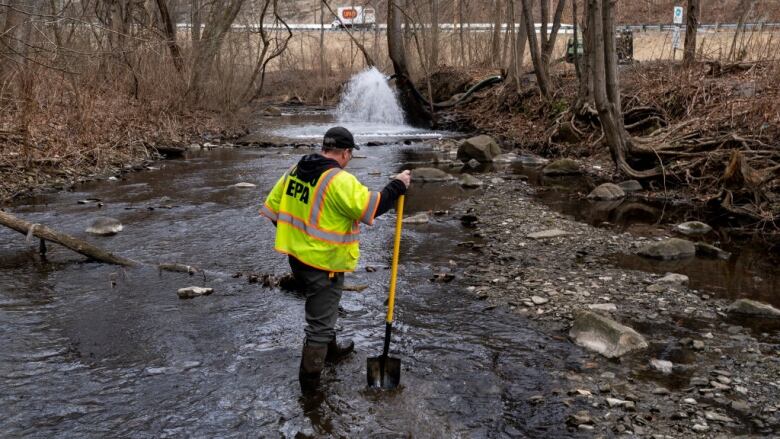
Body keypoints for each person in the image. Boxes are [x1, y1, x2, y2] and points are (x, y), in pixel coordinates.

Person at [259, 126, 411, 392]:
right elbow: (372, 207)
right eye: (350, 154)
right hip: (323, 265)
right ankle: (310, 392)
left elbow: (272, 211)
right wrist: (398, 184)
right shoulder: (339, 181)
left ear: (325, 147)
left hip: (297, 259)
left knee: (324, 311)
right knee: (318, 326)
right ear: (346, 153)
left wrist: (301, 241)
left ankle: (331, 352)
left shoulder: (296, 168)